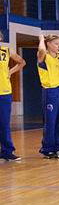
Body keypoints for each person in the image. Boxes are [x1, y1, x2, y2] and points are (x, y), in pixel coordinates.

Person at [37, 34, 59, 159]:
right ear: (48, 44)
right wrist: (41, 39)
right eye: (56, 44)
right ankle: (48, 148)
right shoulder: (43, 55)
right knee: (51, 120)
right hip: (51, 89)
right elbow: (41, 50)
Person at [0, 32, 25, 162]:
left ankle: (7, 151)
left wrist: (10, 71)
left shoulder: (7, 50)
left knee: (4, 123)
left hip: (4, 91)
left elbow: (22, 62)